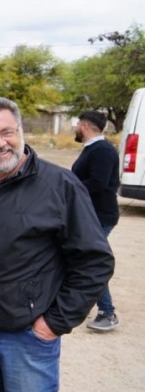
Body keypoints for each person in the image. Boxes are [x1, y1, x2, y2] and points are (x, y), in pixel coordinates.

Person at [0, 96, 115, 392]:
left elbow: (94, 261)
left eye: (7, 132)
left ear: (21, 131)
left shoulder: (60, 185)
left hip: (25, 334)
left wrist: (54, 322)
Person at [72, 110, 121, 331]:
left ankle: (107, 312)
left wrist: (68, 190)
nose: (75, 128)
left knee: (92, 262)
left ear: (84, 126)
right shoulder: (93, 149)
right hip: (91, 215)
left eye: (77, 124)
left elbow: (98, 183)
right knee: (79, 258)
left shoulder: (102, 150)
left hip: (101, 216)